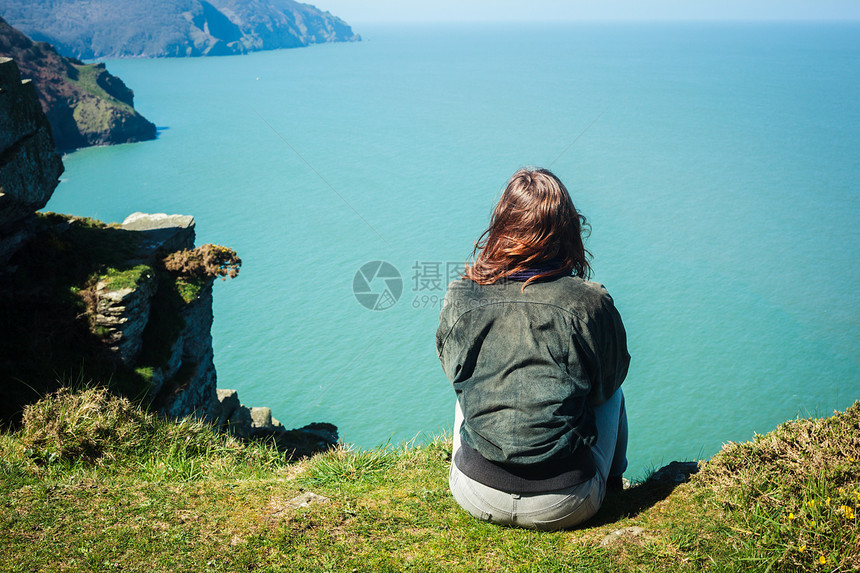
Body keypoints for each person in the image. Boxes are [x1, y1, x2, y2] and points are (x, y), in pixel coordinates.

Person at [435, 167, 630, 530]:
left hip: (475, 492)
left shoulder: (462, 293)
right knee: (613, 392)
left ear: (501, 227)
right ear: (567, 230)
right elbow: (609, 382)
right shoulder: (590, 302)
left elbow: (453, 373)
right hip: (567, 501)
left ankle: (477, 467)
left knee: (465, 383)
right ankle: (614, 484)